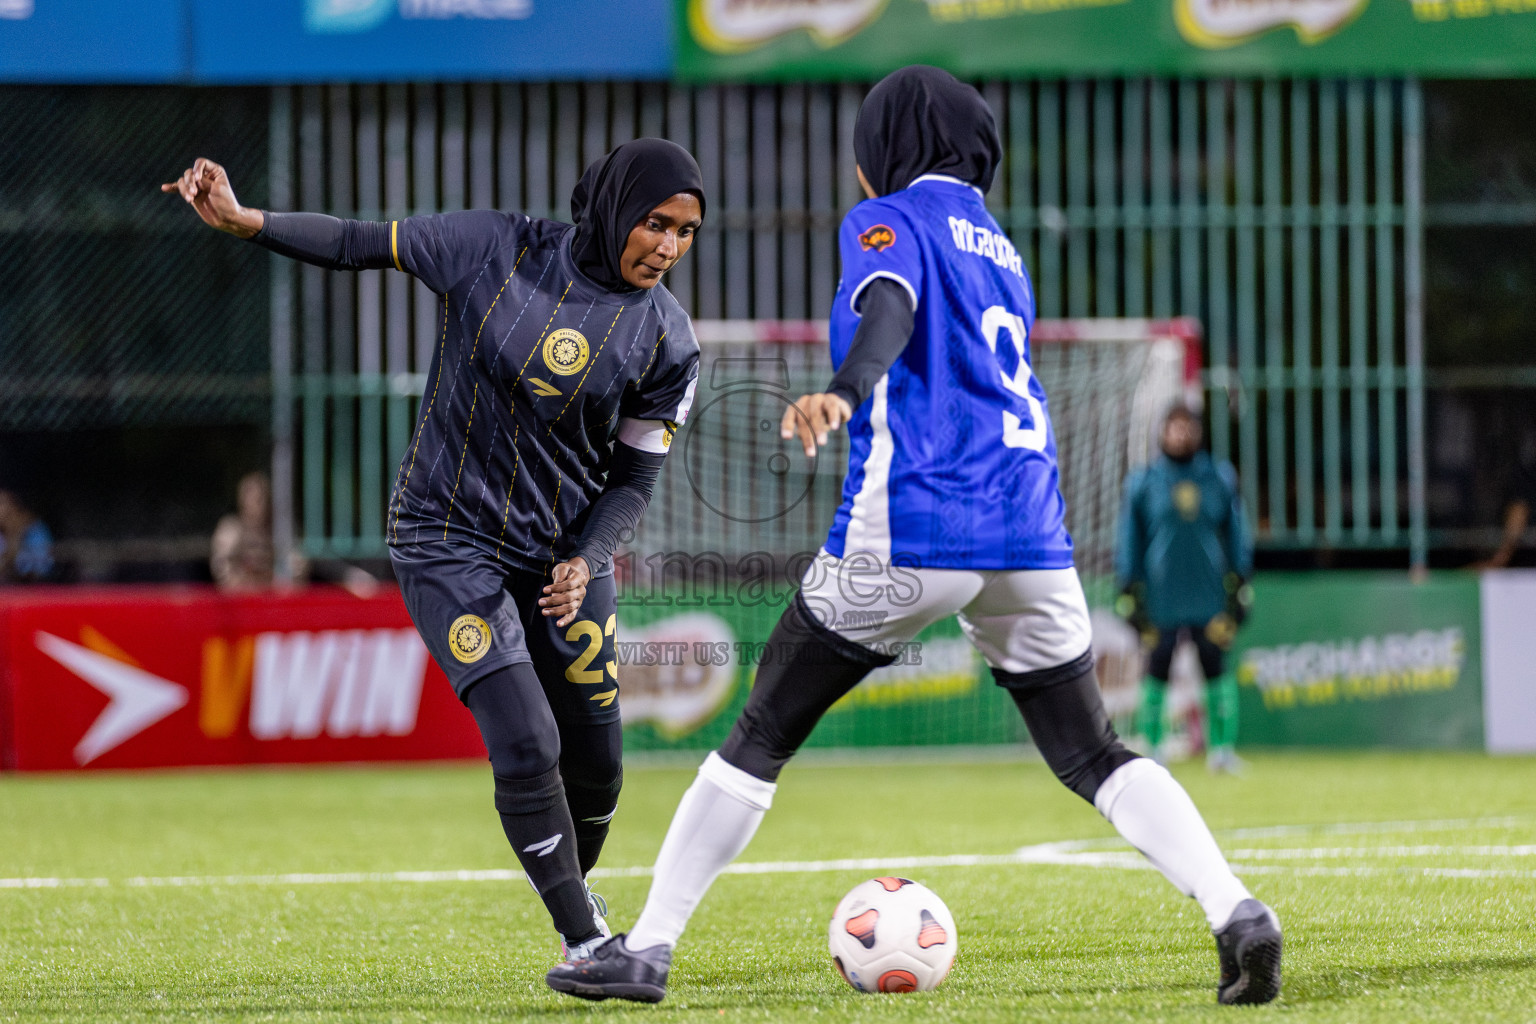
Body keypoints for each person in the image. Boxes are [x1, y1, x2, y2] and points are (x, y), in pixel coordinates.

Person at [547, 66, 1281, 1007]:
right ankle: (1235, 910)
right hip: (1031, 535)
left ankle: (645, 949)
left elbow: (888, 304)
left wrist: (843, 390)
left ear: (886, 150)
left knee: (760, 735)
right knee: (1095, 752)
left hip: (917, 527)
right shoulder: (1002, 248)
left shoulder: (889, 218)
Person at [165, 139, 705, 961]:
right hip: (445, 538)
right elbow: (355, 243)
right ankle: (585, 941)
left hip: (563, 558)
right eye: (655, 223)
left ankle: (572, 892)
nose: (667, 246)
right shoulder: (491, 248)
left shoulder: (669, 339)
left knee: (597, 769)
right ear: (613, 210)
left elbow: (634, 479)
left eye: (686, 232)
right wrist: (248, 222)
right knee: (527, 739)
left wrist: (588, 556)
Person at [1115, 404, 1253, 773]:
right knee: (1157, 666)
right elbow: (1130, 538)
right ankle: (1153, 749)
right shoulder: (1145, 481)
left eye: (1187, 427)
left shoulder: (1218, 477)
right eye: (1174, 428)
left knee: (1215, 666)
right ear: (1163, 433)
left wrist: (1241, 581)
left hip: (1209, 593)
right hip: (1161, 595)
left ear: (1198, 432)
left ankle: (1221, 752)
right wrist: (1128, 586)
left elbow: (1235, 532)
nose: (1181, 435)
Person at [0, 487, 54, 584]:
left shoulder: (34, 529)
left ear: (13, 506)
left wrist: (15, 541)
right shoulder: (2, 533)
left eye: (1, 504)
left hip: (37, 585)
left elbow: (43, 566)